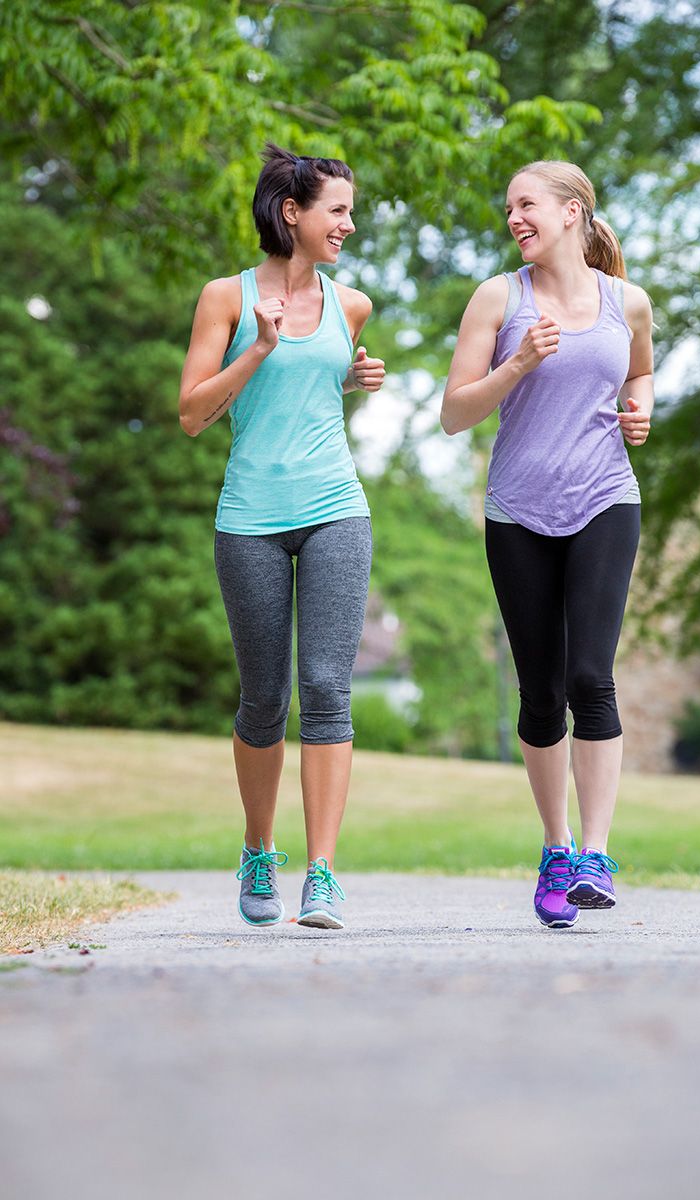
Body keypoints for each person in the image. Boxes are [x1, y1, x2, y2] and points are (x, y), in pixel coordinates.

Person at [441, 160, 654, 930]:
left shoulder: (627, 302)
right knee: (541, 694)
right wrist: (519, 363)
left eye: (526, 205)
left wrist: (640, 412)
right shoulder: (498, 298)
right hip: (518, 512)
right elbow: (454, 415)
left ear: (572, 212)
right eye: (508, 209)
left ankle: (596, 854)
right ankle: (557, 848)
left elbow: (642, 375)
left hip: (605, 497)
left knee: (591, 676)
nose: (513, 219)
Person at [179, 143, 385, 930]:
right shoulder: (224, 299)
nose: (349, 224)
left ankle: (323, 872)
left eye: (350, 210)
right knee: (265, 699)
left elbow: (312, 399)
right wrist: (259, 347)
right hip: (250, 519)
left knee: (330, 689)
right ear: (292, 212)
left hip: (336, 506)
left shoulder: (352, 303)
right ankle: (259, 849)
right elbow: (194, 414)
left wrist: (354, 383)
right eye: (337, 209)